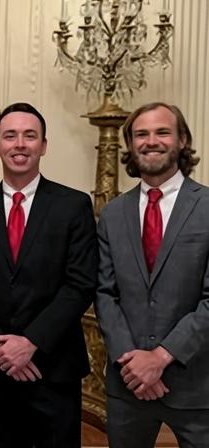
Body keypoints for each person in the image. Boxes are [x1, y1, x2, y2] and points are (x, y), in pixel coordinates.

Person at [0, 102, 97, 448]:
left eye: (29, 136)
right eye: (10, 136)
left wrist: (31, 342)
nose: (20, 144)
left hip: (54, 367)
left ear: (44, 146)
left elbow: (80, 284)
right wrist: (2, 348)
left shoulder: (73, 205)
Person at [95, 102, 209, 447]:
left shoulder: (207, 207)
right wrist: (134, 363)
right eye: (141, 134)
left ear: (183, 140)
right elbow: (104, 293)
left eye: (162, 132)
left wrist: (160, 358)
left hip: (195, 386)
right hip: (127, 384)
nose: (151, 141)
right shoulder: (111, 214)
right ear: (130, 144)